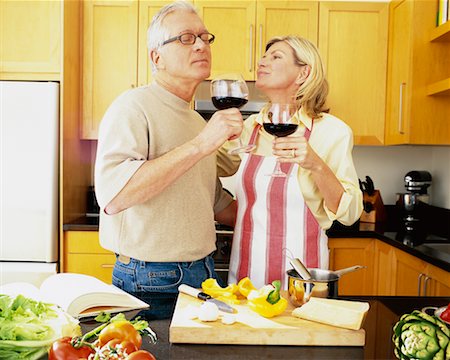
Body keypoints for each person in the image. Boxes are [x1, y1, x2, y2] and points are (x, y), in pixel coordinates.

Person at [94, 1, 243, 298]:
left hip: (203, 272)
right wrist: (202, 145)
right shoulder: (132, 106)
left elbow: (211, 202)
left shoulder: (195, 120)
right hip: (151, 277)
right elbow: (113, 196)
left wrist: (278, 215)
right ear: (157, 57)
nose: (201, 45)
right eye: (187, 38)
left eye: (204, 37)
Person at [218, 36, 363, 289]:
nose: (262, 61)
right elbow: (208, 169)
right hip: (245, 278)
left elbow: (349, 215)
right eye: (264, 56)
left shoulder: (333, 132)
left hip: (302, 283)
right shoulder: (248, 127)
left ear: (303, 73)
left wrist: (315, 164)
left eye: (276, 56)